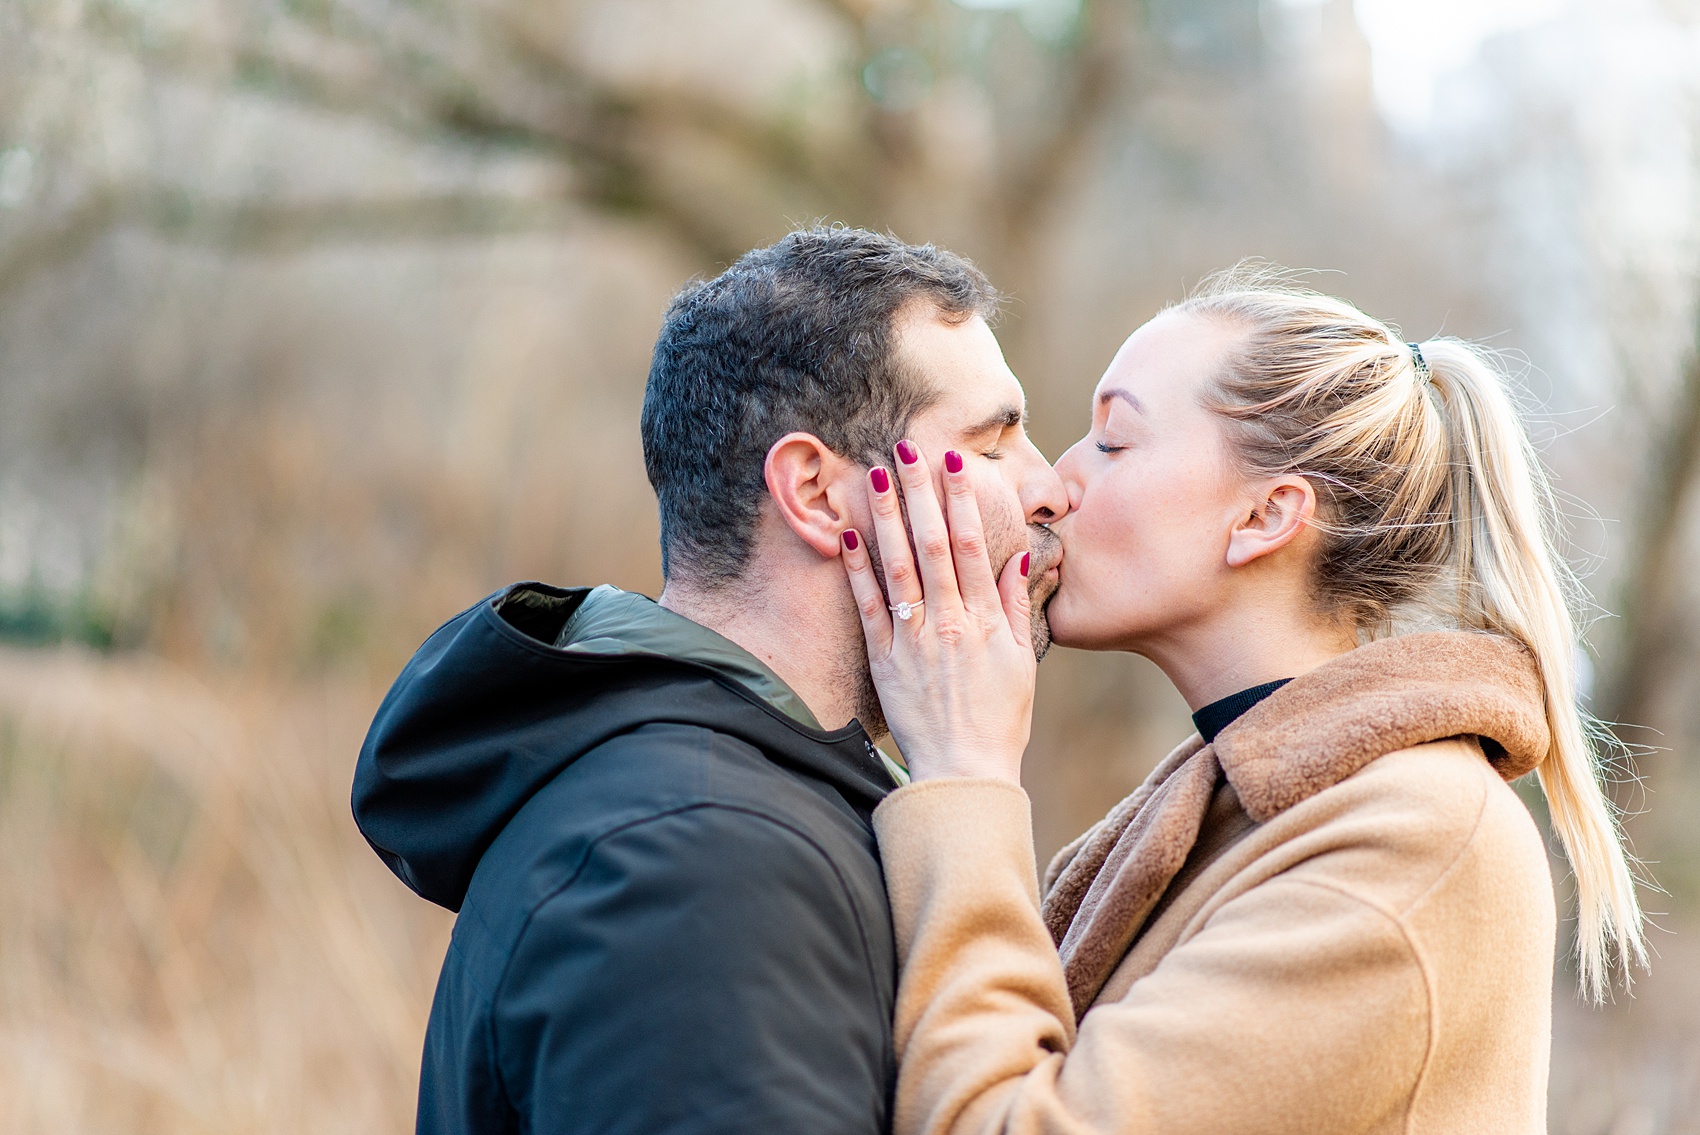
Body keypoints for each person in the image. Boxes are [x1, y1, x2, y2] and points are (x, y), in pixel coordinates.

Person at [840, 266, 1647, 1135]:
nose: (1054, 482)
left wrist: (967, 768)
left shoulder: (1420, 843)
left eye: (1112, 441)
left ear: (1265, 516)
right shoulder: (1236, 810)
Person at [350, 226, 1067, 1134]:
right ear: (813, 491)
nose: (1053, 487)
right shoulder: (698, 860)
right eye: (997, 440)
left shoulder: (729, 811)